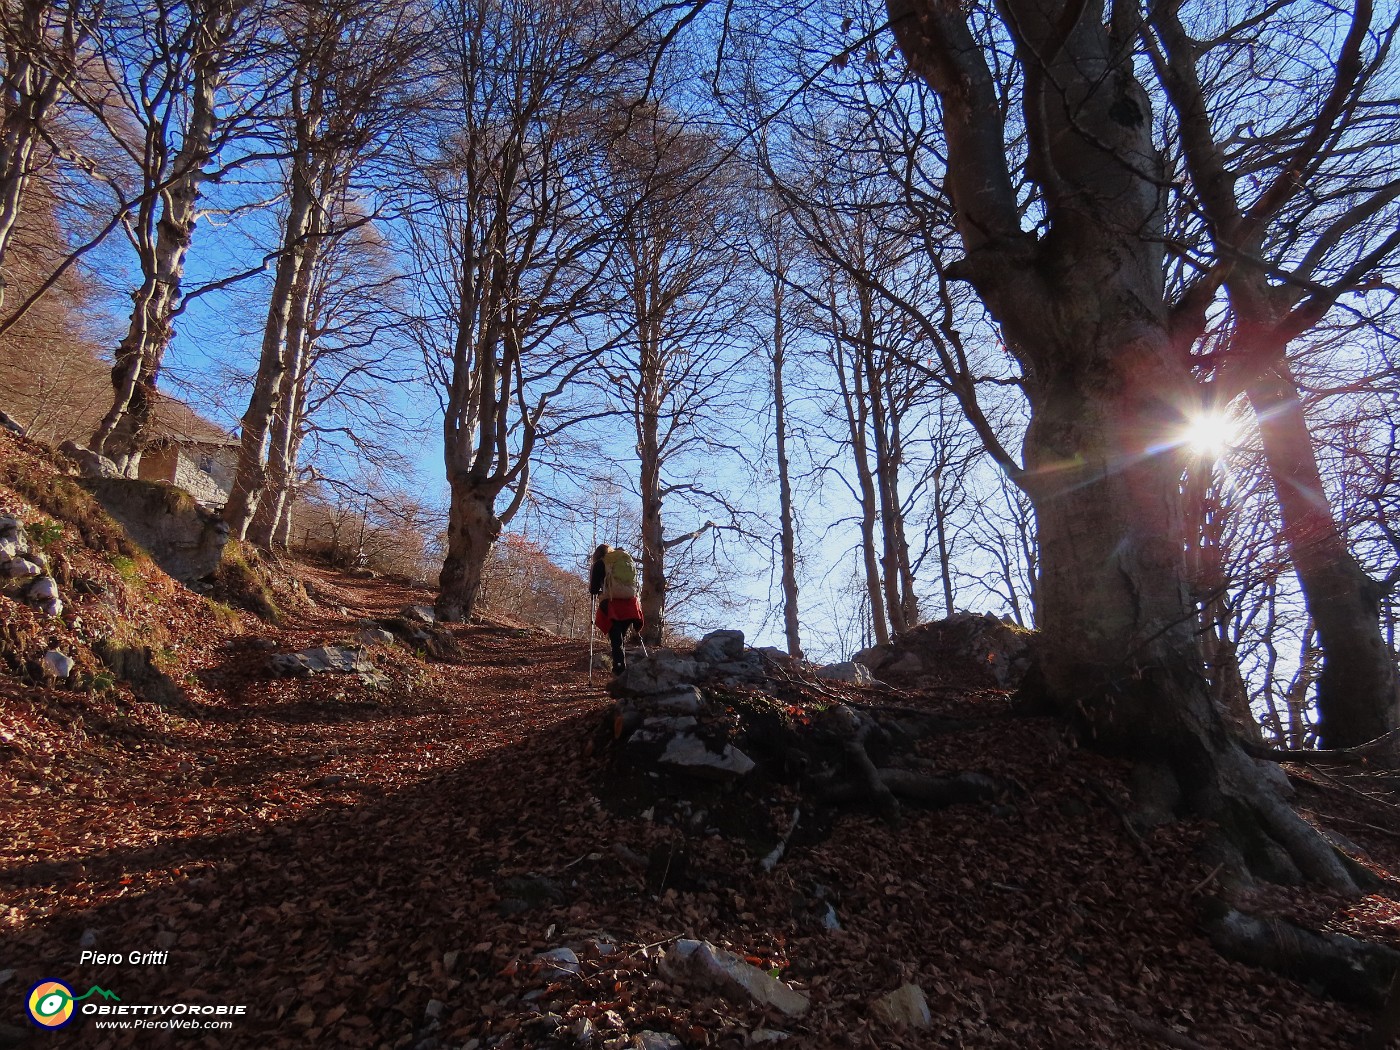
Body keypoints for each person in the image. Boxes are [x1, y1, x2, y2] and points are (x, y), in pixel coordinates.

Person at [590, 543, 644, 674]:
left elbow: (593, 589)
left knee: (616, 639)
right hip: (630, 604)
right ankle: (621, 667)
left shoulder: (600, 564)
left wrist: (596, 592)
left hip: (612, 603)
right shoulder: (625, 561)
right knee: (620, 637)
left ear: (597, 554)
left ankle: (619, 670)